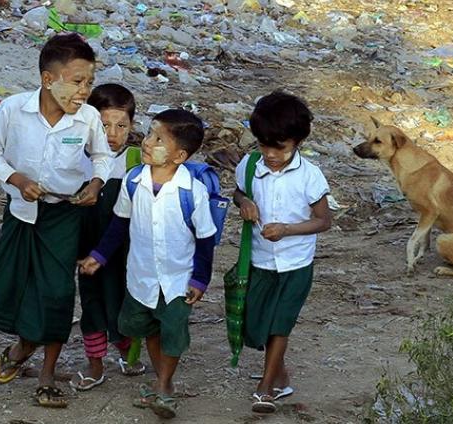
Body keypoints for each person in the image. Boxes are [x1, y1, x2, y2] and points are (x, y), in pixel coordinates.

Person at [0, 33, 113, 408]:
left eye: (90, 81)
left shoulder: (88, 118)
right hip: (21, 211)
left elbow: (102, 157)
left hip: (65, 214)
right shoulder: (14, 109)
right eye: (77, 81)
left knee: (57, 293)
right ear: (49, 79)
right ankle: (19, 349)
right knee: (15, 287)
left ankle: (47, 375)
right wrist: (18, 180)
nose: (84, 90)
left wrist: (96, 184)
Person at [78, 109, 216, 418]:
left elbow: (206, 240)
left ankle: (164, 385)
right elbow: (119, 224)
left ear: (179, 156)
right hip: (140, 277)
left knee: (173, 332)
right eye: (150, 134)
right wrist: (98, 257)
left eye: (158, 139)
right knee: (142, 326)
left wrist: (200, 279)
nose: (148, 142)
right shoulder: (133, 180)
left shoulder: (192, 193)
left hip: (178, 280)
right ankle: (161, 382)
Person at [232, 91, 332, 413]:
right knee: (257, 324)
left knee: (280, 324)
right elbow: (238, 192)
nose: (271, 154)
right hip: (259, 260)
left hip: (295, 264)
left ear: (298, 142)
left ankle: (265, 387)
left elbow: (323, 221)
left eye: (281, 147)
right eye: (264, 146)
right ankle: (281, 375)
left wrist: (287, 229)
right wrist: (244, 202)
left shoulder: (309, 176)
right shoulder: (249, 166)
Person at [71, 83, 144, 391]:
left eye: (121, 125)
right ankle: (95, 364)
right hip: (85, 250)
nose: (113, 134)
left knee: (123, 302)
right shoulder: (77, 159)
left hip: (123, 251)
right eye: (104, 126)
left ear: (132, 125)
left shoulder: (136, 162)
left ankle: (128, 350)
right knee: (92, 304)